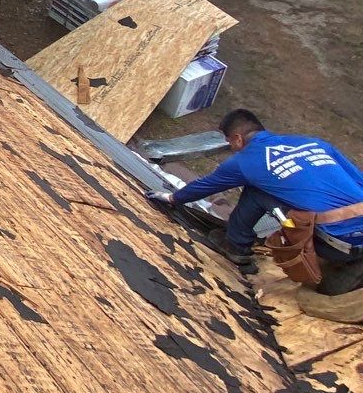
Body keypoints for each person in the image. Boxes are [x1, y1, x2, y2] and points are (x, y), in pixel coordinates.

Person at [150, 107, 363, 292]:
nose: (232, 147)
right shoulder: (316, 144)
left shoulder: (245, 161)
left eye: (229, 143)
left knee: (256, 189)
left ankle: (236, 246)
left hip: (339, 244)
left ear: (237, 138)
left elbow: (206, 186)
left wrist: (172, 197)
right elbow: (358, 179)